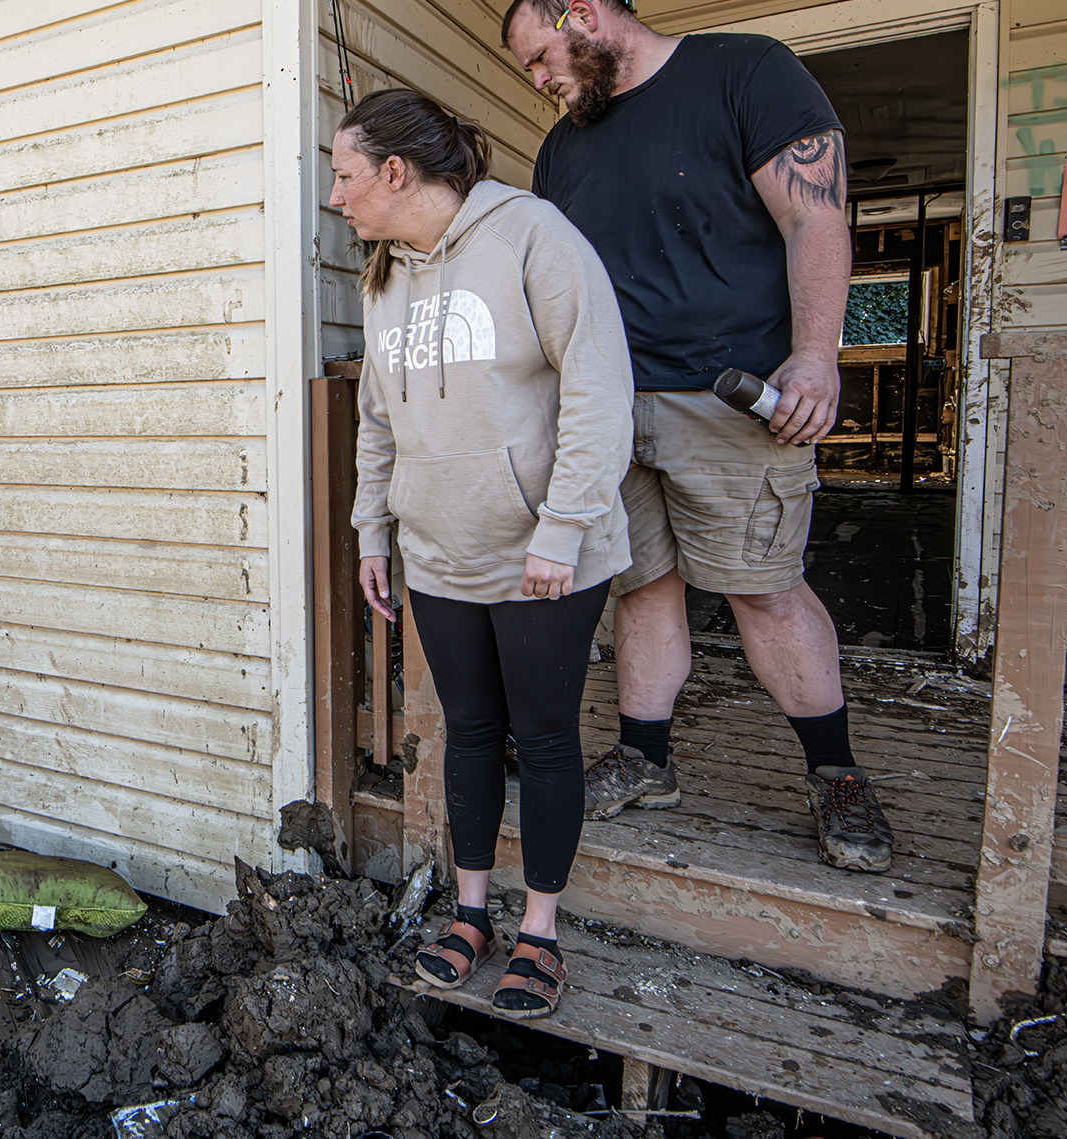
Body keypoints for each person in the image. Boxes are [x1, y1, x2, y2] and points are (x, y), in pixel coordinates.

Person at [501, 0, 895, 873]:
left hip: (728, 394)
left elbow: (814, 218)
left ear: (581, 13)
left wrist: (813, 355)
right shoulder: (564, 147)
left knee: (763, 590)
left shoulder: (744, 72)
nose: (538, 83)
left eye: (540, 59)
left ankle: (833, 770)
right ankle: (647, 759)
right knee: (642, 587)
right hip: (608, 410)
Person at [337, 88, 634, 1015]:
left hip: (542, 552)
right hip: (438, 549)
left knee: (543, 738)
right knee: (467, 734)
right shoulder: (382, 275)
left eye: (345, 176)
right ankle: (470, 913)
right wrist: (372, 528)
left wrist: (563, 525)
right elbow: (375, 419)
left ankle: (538, 930)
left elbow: (598, 387)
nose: (336, 195)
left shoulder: (533, 237)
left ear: (395, 171)